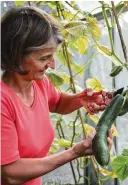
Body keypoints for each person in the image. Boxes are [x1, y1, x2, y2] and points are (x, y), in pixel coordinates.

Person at [1, 6, 113, 185]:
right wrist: (74, 152)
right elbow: (10, 173)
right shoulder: (3, 102)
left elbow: (58, 102)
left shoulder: (38, 82)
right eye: (44, 58)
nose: (52, 65)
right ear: (16, 56)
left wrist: (81, 99)